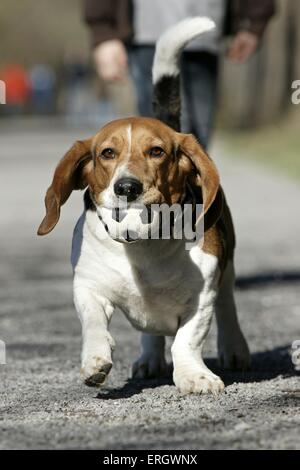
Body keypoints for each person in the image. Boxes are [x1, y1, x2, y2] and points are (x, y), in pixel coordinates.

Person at [83, 0, 275, 149]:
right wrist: (102, 30)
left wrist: (254, 20)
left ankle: (186, 198)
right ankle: (169, 199)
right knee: (169, 138)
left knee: (197, 143)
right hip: (149, 37)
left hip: (205, 37)